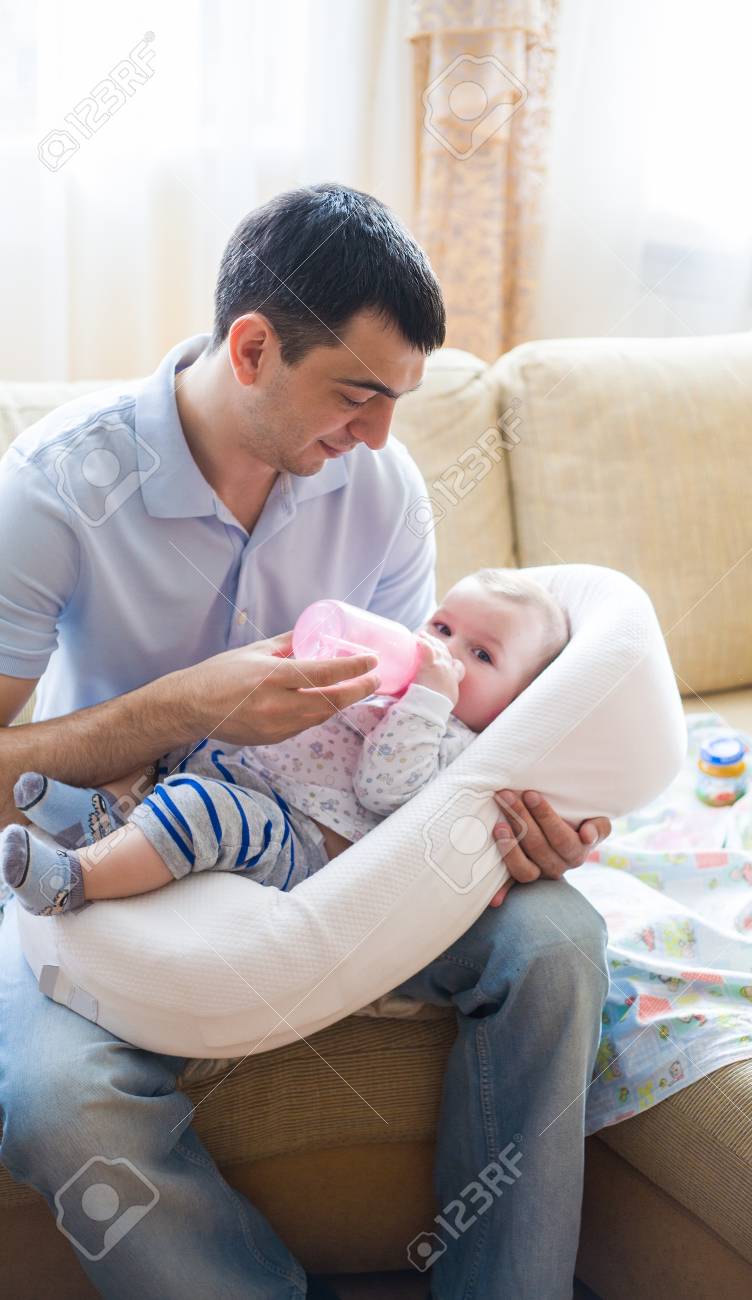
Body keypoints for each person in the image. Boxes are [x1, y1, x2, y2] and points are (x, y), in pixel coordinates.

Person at [0, 184, 611, 1300]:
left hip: (337, 851)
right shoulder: (53, 491)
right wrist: (185, 705)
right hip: (124, 858)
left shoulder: (380, 490)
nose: (378, 435)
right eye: (357, 394)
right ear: (251, 347)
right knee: (52, 1101)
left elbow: (427, 746)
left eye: (397, 401)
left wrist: (514, 825)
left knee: (558, 942)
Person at [3, 570, 570, 915]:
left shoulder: (454, 739)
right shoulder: (393, 684)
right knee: (176, 742)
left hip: (295, 838)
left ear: (515, 703)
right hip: (244, 773)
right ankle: (99, 821)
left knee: (202, 810)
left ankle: (74, 882)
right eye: (443, 628)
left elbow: (385, 792)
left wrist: (428, 700)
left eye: (483, 655)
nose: (444, 653)